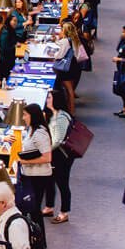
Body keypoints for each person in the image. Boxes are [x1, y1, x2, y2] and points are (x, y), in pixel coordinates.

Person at [44, 84, 76, 224]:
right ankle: (49, 206)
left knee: (62, 182)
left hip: (61, 155)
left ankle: (64, 212)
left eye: (49, 98)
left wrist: (43, 151)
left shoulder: (62, 117)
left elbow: (57, 140)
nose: (47, 100)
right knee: (49, 180)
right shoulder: (53, 115)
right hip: (53, 154)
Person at [13, 103, 54, 213]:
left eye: (25, 115)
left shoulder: (40, 133)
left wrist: (25, 161)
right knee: (30, 208)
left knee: (34, 209)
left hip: (38, 177)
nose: (23, 118)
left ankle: (38, 230)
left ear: (33, 116)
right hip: (30, 175)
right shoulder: (31, 129)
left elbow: (47, 158)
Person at [0, 10, 19, 81]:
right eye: (14, 21)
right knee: (5, 79)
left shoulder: (11, 30)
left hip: (9, 58)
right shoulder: (5, 32)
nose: (15, 23)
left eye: (16, 21)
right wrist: (14, 46)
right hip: (4, 61)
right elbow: (4, 47)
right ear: (9, 21)